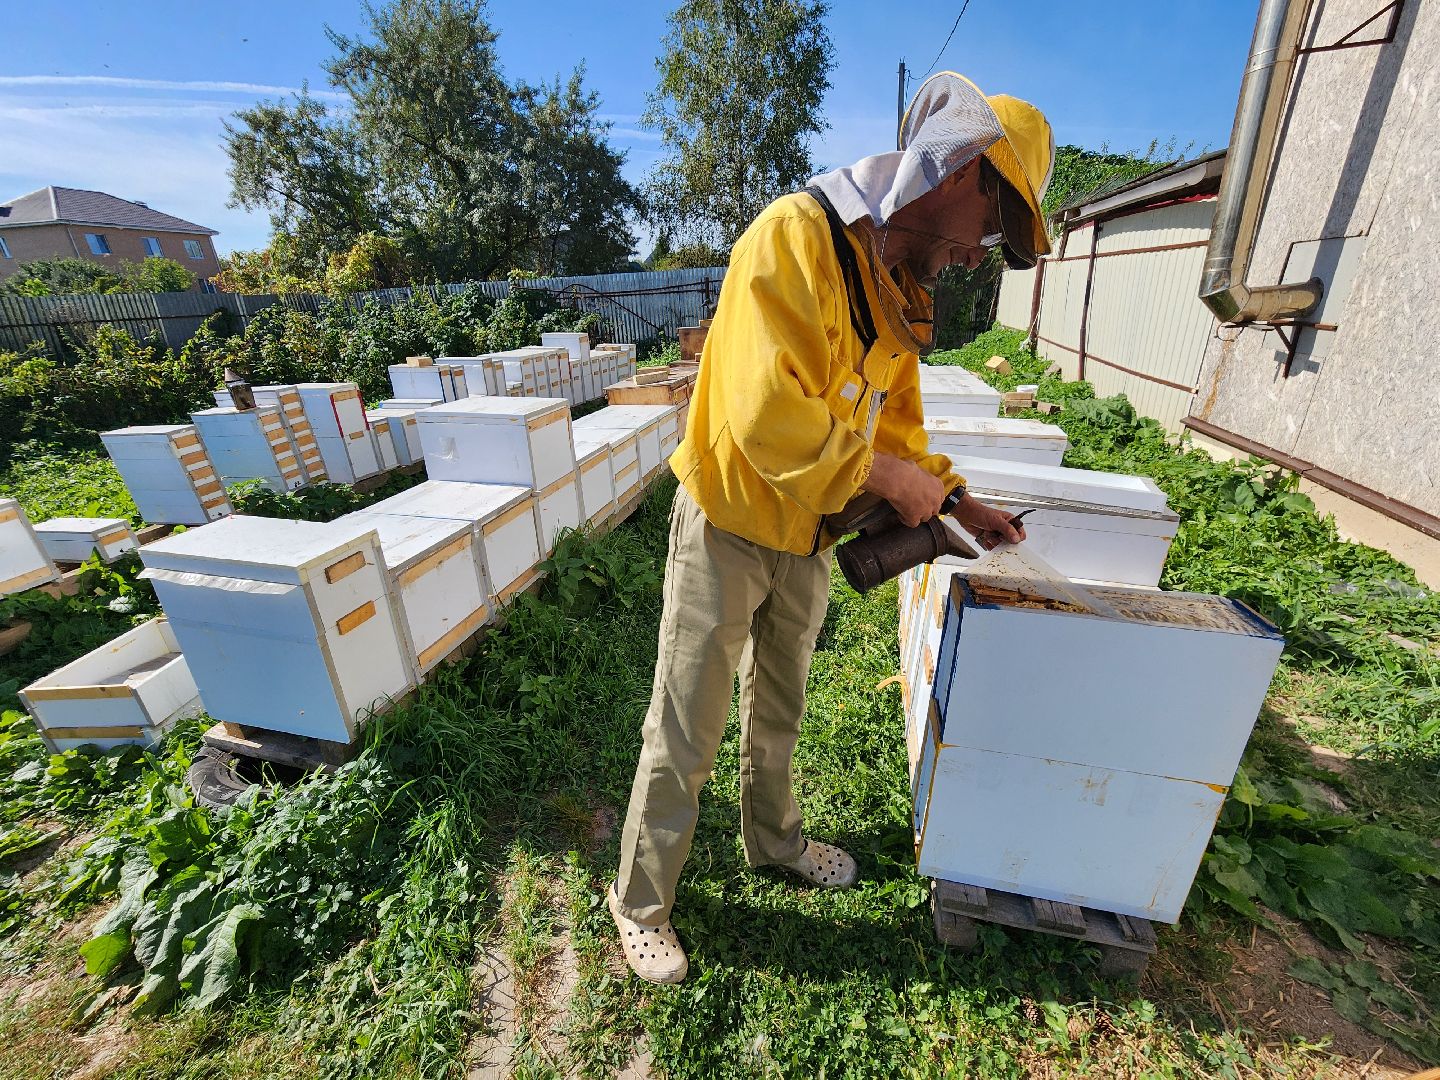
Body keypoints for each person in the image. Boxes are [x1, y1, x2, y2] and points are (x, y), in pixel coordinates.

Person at [609, 72, 1055, 984]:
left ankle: (772, 843)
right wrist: (881, 476)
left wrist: (956, 496)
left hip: (806, 538)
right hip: (730, 522)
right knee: (687, 723)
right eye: (994, 228)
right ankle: (642, 901)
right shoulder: (792, 239)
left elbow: (897, 428)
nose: (980, 255)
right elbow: (762, 410)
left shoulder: (898, 291)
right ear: (962, 173)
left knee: (781, 708)